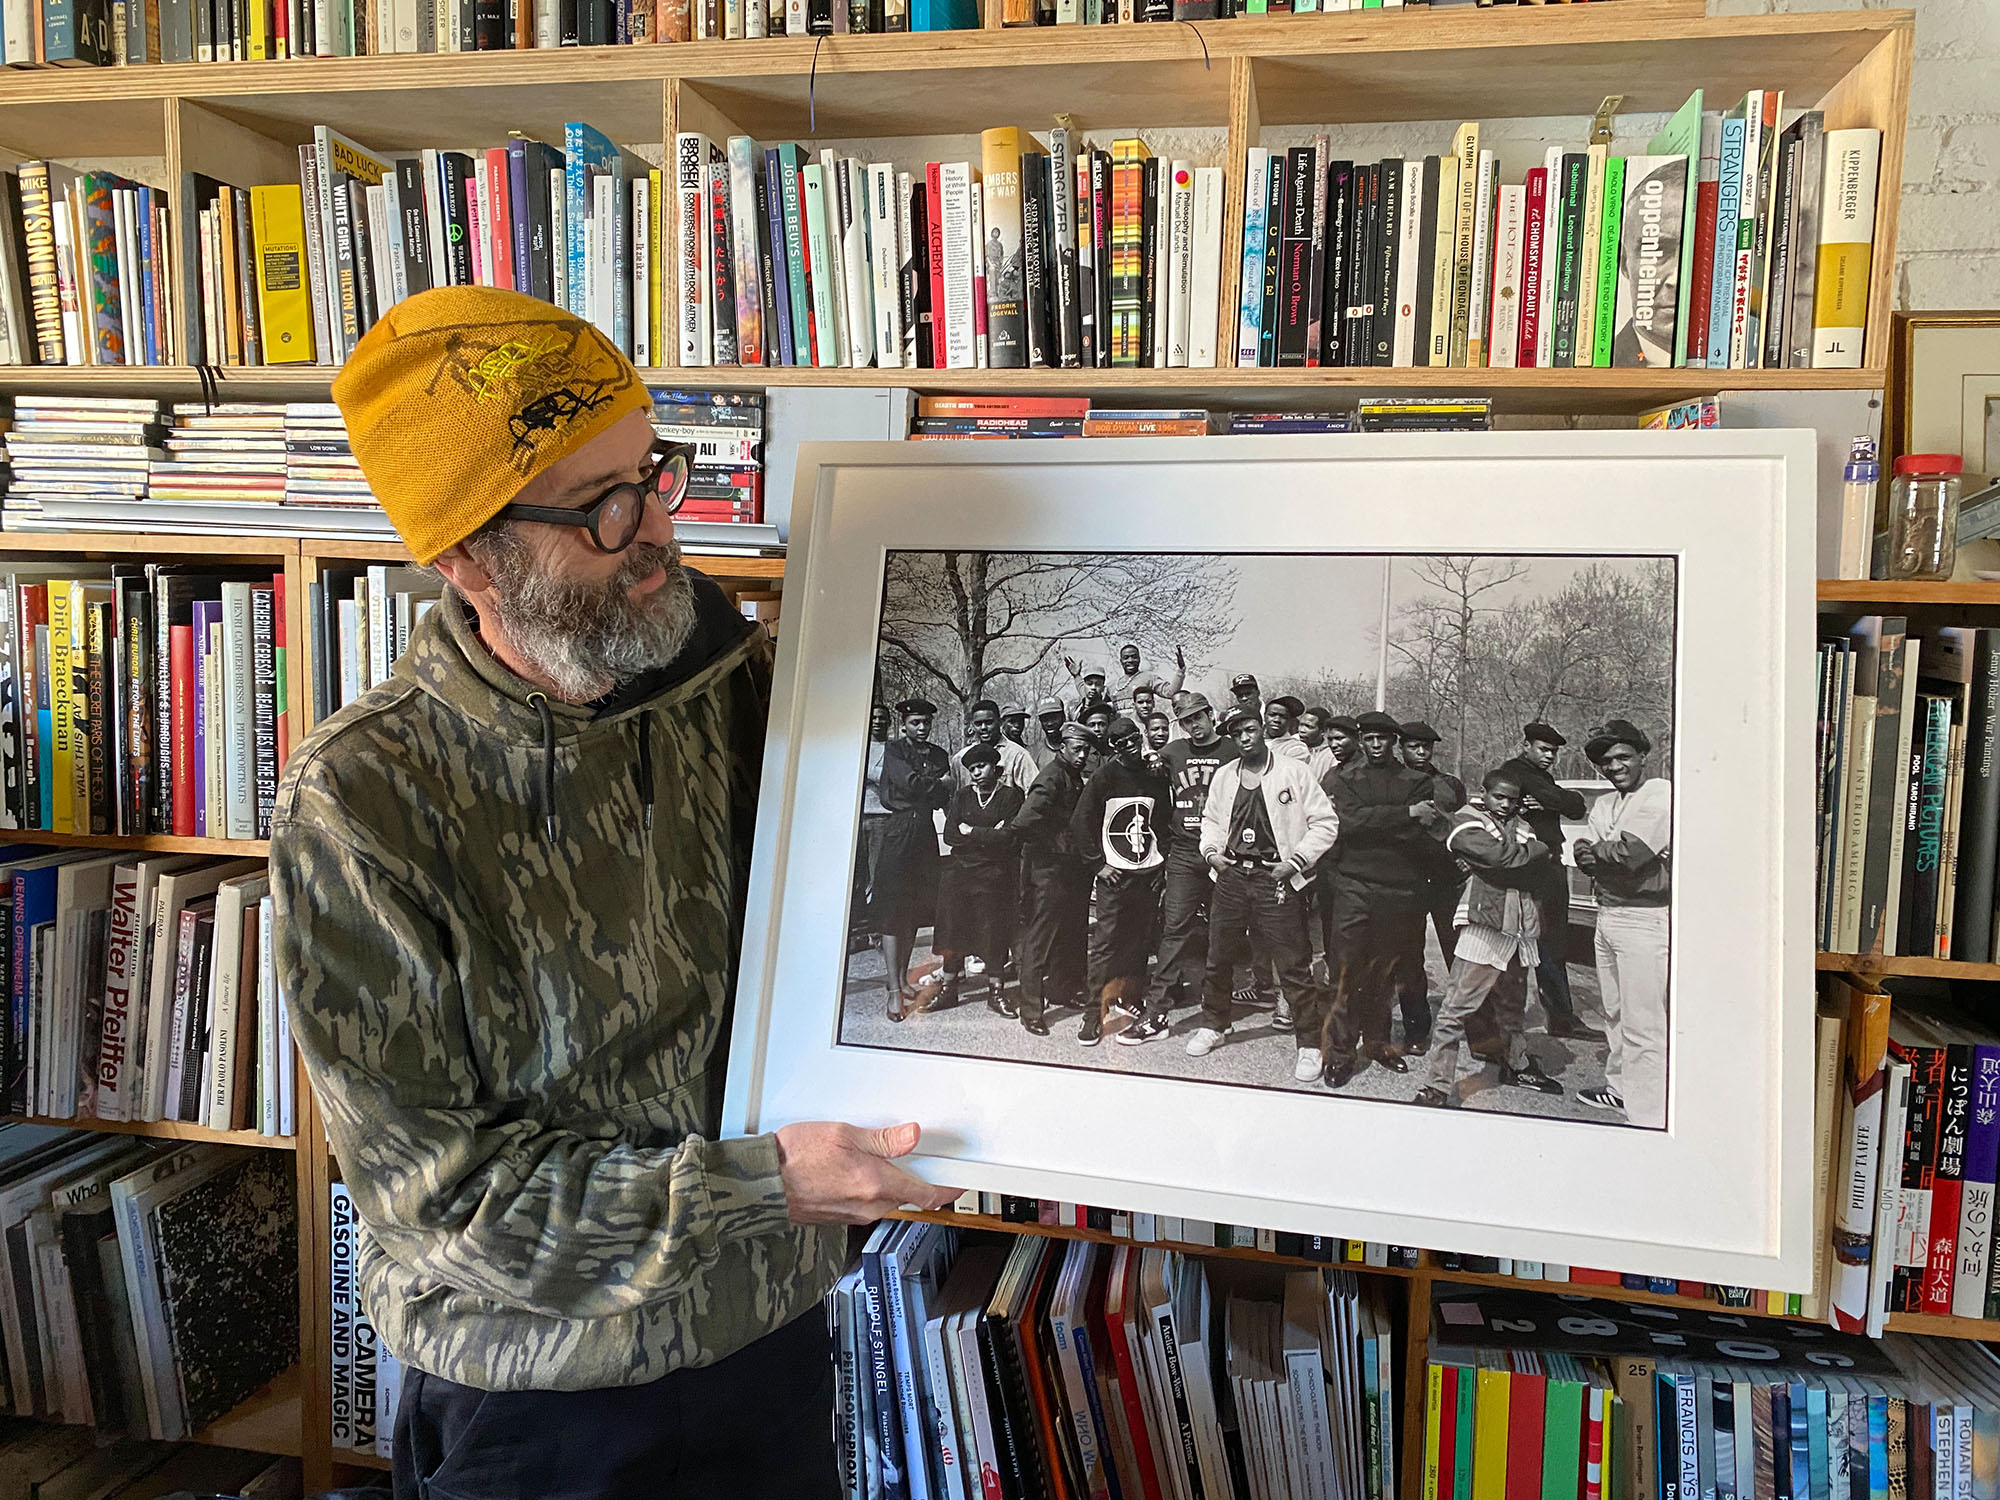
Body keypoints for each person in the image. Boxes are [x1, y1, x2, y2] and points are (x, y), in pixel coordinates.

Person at [270, 286, 954, 1500]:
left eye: (653, 471)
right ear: (467, 554)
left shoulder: (745, 681)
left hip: (769, 1340)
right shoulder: (364, 801)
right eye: (601, 507)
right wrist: (763, 1184)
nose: (656, 531)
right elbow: (448, 1203)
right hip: (537, 1396)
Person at [1184, 708, 1340, 1079]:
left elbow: (1326, 823)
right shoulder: (1225, 776)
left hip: (1276, 875)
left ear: (1262, 731)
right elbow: (1210, 820)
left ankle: (1308, 1044)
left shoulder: (1293, 771)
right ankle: (1215, 1024)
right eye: (1236, 733)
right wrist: (1213, 853)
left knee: (1292, 963)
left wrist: (1296, 861)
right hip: (1233, 875)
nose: (1244, 737)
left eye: (1250, 729)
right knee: (1218, 955)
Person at [1410, 769, 1565, 1108]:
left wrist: (1524, 857)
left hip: (1520, 925)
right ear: (1485, 793)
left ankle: (1517, 1064)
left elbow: (1532, 866)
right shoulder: (1468, 820)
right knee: (1456, 1008)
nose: (1506, 805)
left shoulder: (1522, 826)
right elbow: (1500, 858)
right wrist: (1535, 851)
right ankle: (1436, 1085)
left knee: (1512, 1005)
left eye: (1512, 799)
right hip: (1484, 924)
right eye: (1499, 797)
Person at [1320, 710, 1448, 1088]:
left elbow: (1412, 835)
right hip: (1354, 886)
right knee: (1345, 971)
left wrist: (1380, 821)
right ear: (1361, 740)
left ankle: (1377, 1044)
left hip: (1400, 888)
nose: (1375, 745)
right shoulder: (1345, 777)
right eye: (1369, 738)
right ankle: (1340, 1054)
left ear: (1394, 741)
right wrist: (1404, 814)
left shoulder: (1416, 780)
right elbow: (1347, 824)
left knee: (1385, 973)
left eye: (1383, 739)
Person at [1120, 692, 1238, 1047]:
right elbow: (1147, 779)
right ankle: (1156, 1013)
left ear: (1210, 716)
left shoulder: (1233, 750)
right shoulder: (1172, 753)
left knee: (1223, 932)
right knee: (1175, 929)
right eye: (1186, 722)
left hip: (1224, 850)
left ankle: (1219, 1014)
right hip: (1186, 851)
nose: (1193, 726)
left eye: (1198, 718)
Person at [1572, 719, 1672, 1128]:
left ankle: (1649, 1118)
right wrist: (1599, 852)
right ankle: (1620, 1088)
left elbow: (1631, 854)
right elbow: (1582, 852)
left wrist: (1601, 852)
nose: (1614, 766)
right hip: (1608, 915)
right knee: (1613, 1011)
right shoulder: (1603, 804)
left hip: (1644, 917)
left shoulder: (1659, 791)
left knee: (1644, 1022)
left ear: (1641, 757)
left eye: (1623, 757)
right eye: (1605, 761)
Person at [1070, 715, 1172, 1047]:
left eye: (1132, 740)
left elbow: (1164, 821)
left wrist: (1162, 865)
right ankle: (1092, 1013)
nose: (1128, 748)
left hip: (1147, 874)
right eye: (1119, 744)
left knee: (1139, 941)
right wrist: (1097, 865)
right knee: (1104, 945)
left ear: (1140, 738)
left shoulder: (1154, 775)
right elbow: (1080, 823)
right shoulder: (1103, 777)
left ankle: (1129, 998)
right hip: (1114, 876)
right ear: (1111, 748)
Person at [1496, 723, 1597, 1042]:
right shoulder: (1514, 771)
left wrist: (1552, 800)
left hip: (1551, 860)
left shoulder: (1542, 778)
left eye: (1554, 751)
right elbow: (1565, 802)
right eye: (1543, 749)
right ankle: (1518, 1020)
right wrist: (1557, 800)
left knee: (1553, 940)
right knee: (1531, 941)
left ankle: (1561, 1017)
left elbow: (1577, 805)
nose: (1550, 756)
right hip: (1530, 862)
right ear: (1526, 745)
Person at [1011, 723, 1095, 1036]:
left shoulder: (1071, 775)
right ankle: (1030, 1009)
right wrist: (1051, 844)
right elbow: (1024, 822)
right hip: (1048, 869)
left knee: (1071, 932)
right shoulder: (1050, 777)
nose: (1082, 755)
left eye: (1086, 749)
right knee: (1040, 938)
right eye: (1077, 748)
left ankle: (1063, 988)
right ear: (1062, 746)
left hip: (1070, 868)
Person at [875, 697, 954, 1020]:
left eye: (925, 723)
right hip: (898, 833)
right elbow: (909, 783)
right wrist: (937, 784)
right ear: (904, 724)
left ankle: (903, 979)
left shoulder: (938, 753)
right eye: (914, 723)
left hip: (924, 834)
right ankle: (893, 990)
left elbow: (941, 796)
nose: (921, 728)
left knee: (913, 910)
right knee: (894, 910)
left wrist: (934, 788)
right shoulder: (894, 751)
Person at [937, 743, 1024, 1007]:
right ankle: (949, 987)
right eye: (972, 768)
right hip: (962, 871)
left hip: (995, 873)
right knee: (952, 923)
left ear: (995, 768)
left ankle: (995, 991)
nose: (976, 772)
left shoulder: (1011, 796)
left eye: (981, 766)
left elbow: (1010, 838)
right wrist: (989, 832)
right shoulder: (963, 796)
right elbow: (952, 834)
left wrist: (972, 832)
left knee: (993, 927)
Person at [851, 703, 892, 950]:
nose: (877, 721)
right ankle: (858, 932)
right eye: (873, 717)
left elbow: (892, 775)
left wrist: (867, 771)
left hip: (881, 817)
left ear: (889, 722)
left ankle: (878, 932)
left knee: (878, 876)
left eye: (882, 718)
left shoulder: (895, 749)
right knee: (855, 877)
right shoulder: (857, 745)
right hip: (856, 817)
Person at [961, 697, 1038, 795]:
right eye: (978, 723)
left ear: (1000, 722)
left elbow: (1034, 794)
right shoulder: (961, 758)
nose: (983, 727)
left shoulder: (1018, 755)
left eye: (989, 722)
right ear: (972, 725)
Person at [1111, 640, 1185, 711]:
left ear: (1139, 659)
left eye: (1134, 657)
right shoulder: (1113, 685)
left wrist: (1180, 671)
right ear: (1121, 661)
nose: (1130, 660)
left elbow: (1170, 692)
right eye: (1126, 658)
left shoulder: (1148, 677)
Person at [1262, 695, 1310, 763]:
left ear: (1290, 721)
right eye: (1272, 715)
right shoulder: (1253, 740)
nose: (1277, 720)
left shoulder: (1296, 748)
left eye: (1283, 717)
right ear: (1264, 716)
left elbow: (1291, 771)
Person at [1298, 706, 1338, 784]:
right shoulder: (1291, 744)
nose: (1302, 730)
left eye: (1309, 727)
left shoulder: (1331, 755)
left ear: (1323, 731)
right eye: (1301, 725)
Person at [1033, 696, 1069, 765]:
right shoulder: (1032, 753)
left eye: (1054, 718)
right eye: (1045, 719)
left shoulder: (1075, 749)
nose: (1049, 723)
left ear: (1063, 717)